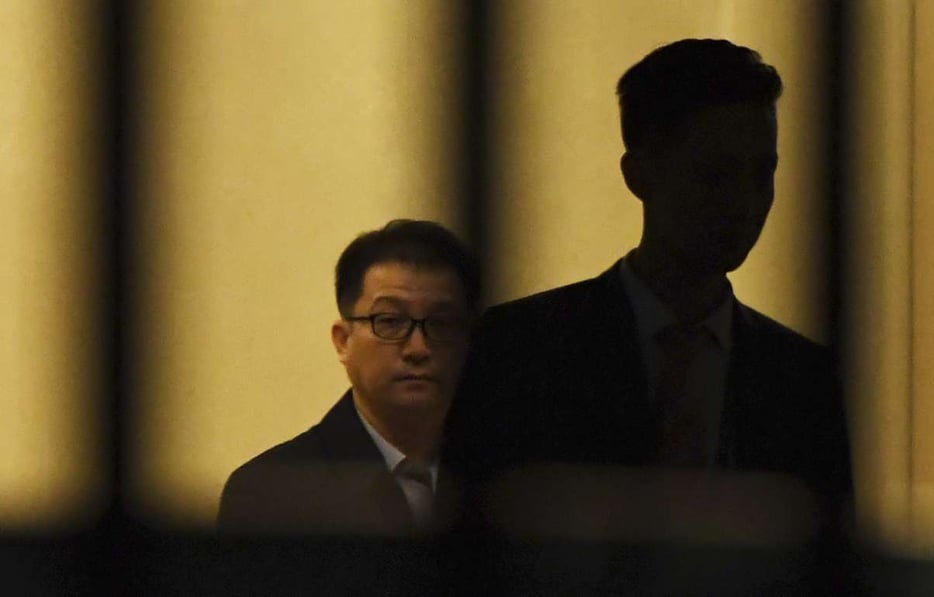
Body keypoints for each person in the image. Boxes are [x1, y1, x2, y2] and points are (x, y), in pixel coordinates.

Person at [443, 39, 852, 527]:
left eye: (762, 173)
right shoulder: (520, 351)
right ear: (639, 174)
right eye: (715, 175)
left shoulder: (803, 381)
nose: (745, 202)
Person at [218, 219, 479, 534]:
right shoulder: (270, 492)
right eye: (390, 321)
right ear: (343, 341)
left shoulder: (506, 479)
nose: (418, 348)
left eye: (441, 323)